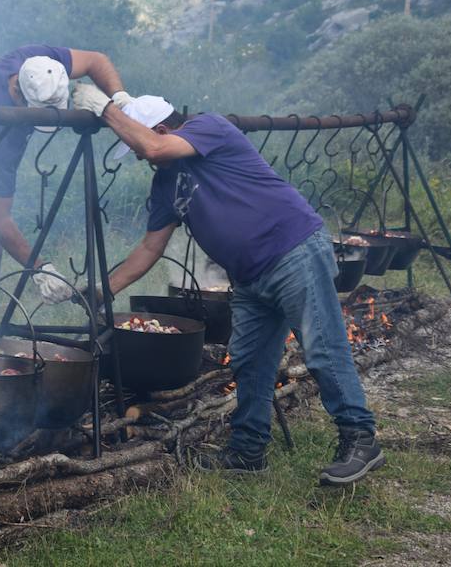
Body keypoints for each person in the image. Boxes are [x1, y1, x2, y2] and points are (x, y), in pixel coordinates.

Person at [68, 86, 384, 486]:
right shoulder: (165, 185)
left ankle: (359, 438)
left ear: (163, 128)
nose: (135, 155)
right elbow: (149, 248)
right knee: (249, 362)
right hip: (250, 278)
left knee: (322, 346)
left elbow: (154, 149)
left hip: (294, 252)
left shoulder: (208, 127)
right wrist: (100, 290)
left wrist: (106, 109)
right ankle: (248, 452)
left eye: (134, 144)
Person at [0, 45, 132, 354]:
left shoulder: (35, 62)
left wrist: (118, 97)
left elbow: (97, 60)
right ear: (20, 96)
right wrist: (41, 268)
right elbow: (0, 219)